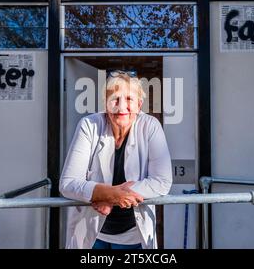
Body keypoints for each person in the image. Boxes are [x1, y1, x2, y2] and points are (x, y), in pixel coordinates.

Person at [59, 70, 172, 249]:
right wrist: (111, 194)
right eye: (114, 99)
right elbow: (67, 183)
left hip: (132, 235)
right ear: (105, 103)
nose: (121, 107)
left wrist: (109, 197)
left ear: (139, 104)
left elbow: (162, 182)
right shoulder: (89, 125)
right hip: (92, 232)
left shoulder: (150, 126)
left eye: (129, 99)